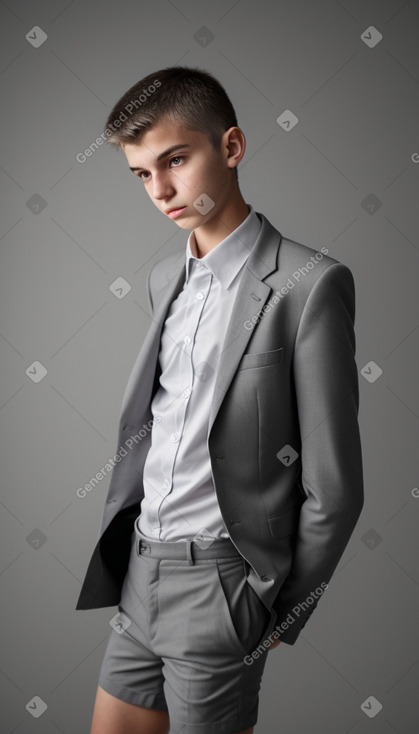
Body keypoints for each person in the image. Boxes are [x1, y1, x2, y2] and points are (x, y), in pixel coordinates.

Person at [77, 66, 364, 734]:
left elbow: (334, 489)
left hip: (221, 586)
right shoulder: (160, 278)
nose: (161, 190)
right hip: (139, 570)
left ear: (230, 147)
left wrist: (275, 612)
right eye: (143, 173)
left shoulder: (307, 285)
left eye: (175, 160)